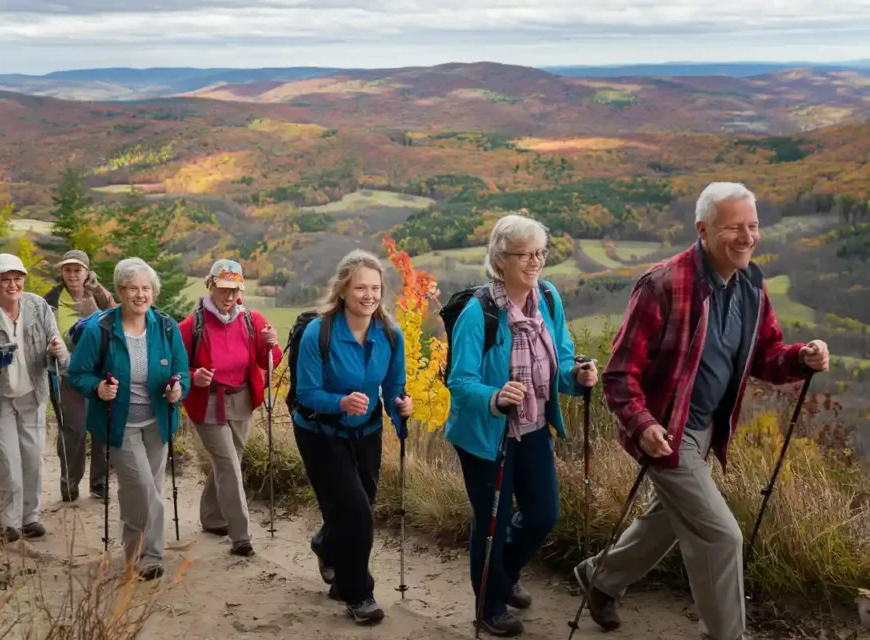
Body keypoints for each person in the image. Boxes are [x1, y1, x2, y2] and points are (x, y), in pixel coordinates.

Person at [573, 182, 830, 640]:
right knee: (720, 535)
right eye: (734, 227)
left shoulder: (750, 284)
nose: (747, 237)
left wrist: (800, 358)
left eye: (753, 226)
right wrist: (642, 424)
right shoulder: (664, 285)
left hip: (708, 427)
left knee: (674, 516)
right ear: (703, 229)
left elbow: (764, 354)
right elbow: (619, 374)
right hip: (666, 431)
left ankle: (601, 577)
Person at [443, 215, 598, 637]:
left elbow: (562, 357)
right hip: (484, 436)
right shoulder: (480, 313)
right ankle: (489, 605)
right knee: (491, 521)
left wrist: (577, 377)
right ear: (500, 260)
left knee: (543, 513)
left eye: (540, 253)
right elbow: (459, 381)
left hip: (532, 428)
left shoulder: (547, 298)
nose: (535, 262)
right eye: (525, 255)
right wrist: (494, 397)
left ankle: (504, 572)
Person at [292, 249, 412, 625]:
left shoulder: (390, 335)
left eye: (375, 287)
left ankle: (326, 547)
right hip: (320, 433)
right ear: (343, 290)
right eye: (360, 287)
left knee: (359, 506)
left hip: (367, 432)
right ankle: (358, 594)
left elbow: (395, 388)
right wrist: (341, 402)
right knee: (356, 515)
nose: (369, 295)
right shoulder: (319, 333)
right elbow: (306, 393)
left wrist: (400, 407)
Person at [68, 257, 188, 581]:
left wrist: (178, 389)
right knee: (143, 489)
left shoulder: (165, 327)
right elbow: (77, 373)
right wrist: (98, 388)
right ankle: (146, 555)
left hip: (157, 422)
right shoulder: (100, 329)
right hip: (118, 425)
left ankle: (141, 555)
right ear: (120, 291)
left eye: (146, 288)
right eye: (133, 288)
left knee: (145, 491)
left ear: (153, 292)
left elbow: (181, 372)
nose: (140, 295)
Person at [0, 253, 69, 542]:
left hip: (31, 396)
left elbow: (56, 347)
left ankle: (30, 517)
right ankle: (8, 522)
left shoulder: (38, 305)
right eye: (5, 279)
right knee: (6, 463)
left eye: (17, 278)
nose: (12, 284)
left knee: (32, 459)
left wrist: (56, 353)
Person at [178, 259, 282, 557]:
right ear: (210, 286)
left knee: (230, 459)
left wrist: (271, 345)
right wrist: (193, 375)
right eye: (223, 289)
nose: (229, 297)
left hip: (242, 399)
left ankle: (211, 517)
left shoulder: (253, 320)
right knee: (228, 463)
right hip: (207, 401)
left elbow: (267, 361)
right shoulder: (192, 325)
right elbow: (176, 367)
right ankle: (241, 536)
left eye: (234, 290)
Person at [44, 249, 116, 501]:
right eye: (67, 270)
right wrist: (50, 349)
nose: (73, 274)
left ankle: (100, 484)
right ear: (62, 272)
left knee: (102, 428)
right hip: (66, 373)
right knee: (73, 428)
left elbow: (118, 322)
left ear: (87, 272)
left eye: (78, 270)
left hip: (99, 372)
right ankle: (69, 484)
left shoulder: (100, 296)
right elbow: (42, 333)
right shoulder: (51, 300)